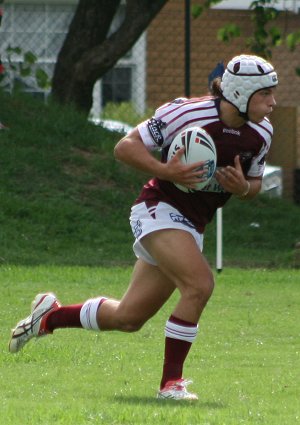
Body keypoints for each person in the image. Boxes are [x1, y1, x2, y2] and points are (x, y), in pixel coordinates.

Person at [9, 54, 278, 400]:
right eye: (265, 94)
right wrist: (168, 171)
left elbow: (253, 185)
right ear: (240, 94)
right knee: (199, 285)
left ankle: (50, 317)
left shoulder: (263, 133)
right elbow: (125, 147)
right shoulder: (185, 112)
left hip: (192, 224)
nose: (273, 102)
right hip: (158, 209)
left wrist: (242, 188)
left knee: (128, 317)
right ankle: (171, 385)